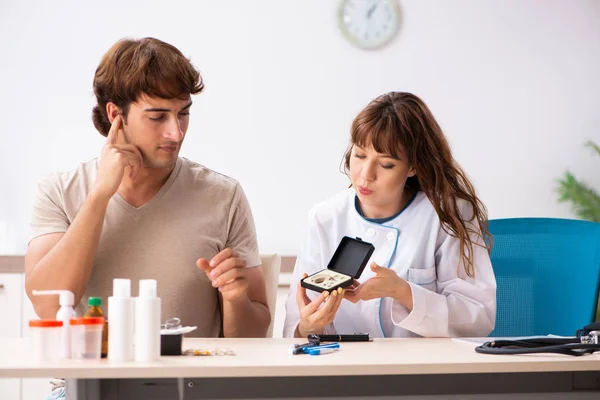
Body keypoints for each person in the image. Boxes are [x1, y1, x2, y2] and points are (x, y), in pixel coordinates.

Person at [25, 37, 270, 340]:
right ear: (115, 115)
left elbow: (254, 338)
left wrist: (235, 301)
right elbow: (48, 307)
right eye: (157, 117)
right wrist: (99, 197)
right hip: (90, 384)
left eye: (183, 113)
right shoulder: (60, 192)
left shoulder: (223, 196)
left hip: (191, 384)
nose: (175, 132)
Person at [283, 92, 496, 338]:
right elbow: (295, 329)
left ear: (413, 167)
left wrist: (403, 291)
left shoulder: (446, 214)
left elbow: (477, 318)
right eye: (360, 155)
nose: (365, 175)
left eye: (386, 165)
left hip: (422, 369)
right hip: (342, 366)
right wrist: (308, 327)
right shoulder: (324, 217)